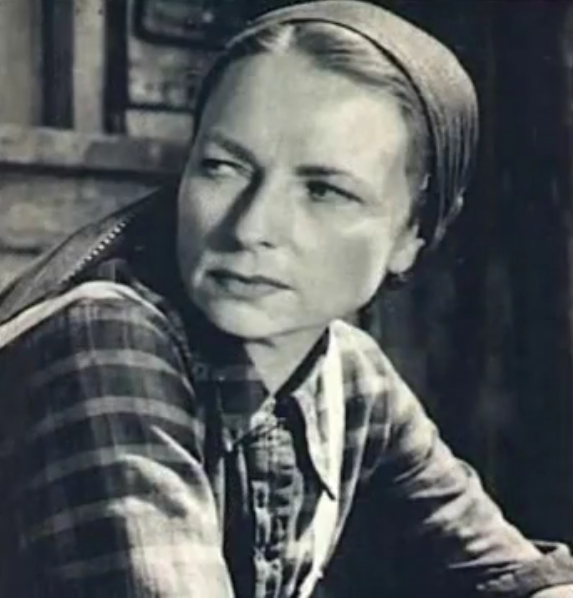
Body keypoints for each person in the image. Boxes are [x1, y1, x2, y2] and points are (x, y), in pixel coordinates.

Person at [0, 1, 571, 596]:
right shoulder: (104, 336)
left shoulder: (347, 377)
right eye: (224, 167)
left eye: (323, 190)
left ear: (412, 237)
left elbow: (516, 576)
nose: (251, 227)